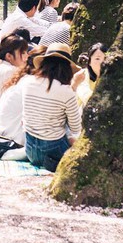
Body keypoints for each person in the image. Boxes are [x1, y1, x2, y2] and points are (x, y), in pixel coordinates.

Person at [21, 43, 82, 171]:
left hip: (30, 150)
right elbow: (76, 128)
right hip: (54, 152)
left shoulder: (28, 82)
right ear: (67, 68)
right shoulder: (66, 91)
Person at [71, 43, 107, 107]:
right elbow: (89, 100)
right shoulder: (82, 76)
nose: (101, 62)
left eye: (105, 59)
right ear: (90, 62)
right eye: (97, 59)